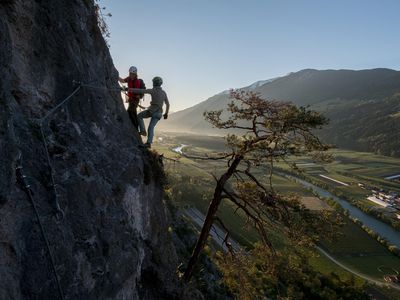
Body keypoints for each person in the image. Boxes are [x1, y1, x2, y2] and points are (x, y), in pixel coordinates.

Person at [129, 76, 170, 148]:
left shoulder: (152, 90)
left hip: (151, 111)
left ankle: (142, 131)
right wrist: (166, 113)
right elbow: (167, 104)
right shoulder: (164, 93)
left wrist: (129, 89)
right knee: (151, 127)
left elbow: (141, 91)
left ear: (154, 83)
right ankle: (149, 143)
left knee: (139, 116)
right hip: (159, 113)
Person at [118, 66, 146, 131]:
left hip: (135, 99)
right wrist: (117, 76)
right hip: (131, 99)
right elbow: (122, 80)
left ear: (135, 74)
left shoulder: (137, 81)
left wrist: (129, 90)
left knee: (131, 111)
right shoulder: (128, 79)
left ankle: (135, 128)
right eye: (130, 73)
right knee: (132, 112)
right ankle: (135, 127)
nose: (131, 75)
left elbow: (137, 91)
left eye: (132, 74)